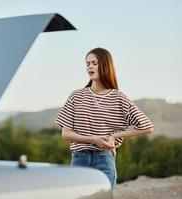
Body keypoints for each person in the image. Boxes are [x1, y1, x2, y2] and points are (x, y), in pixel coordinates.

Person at [54, 47, 154, 191]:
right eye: (87, 63)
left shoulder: (118, 98)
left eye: (95, 63)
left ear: (105, 65)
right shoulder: (76, 96)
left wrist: (115, 136)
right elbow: (66, 134)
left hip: (104, 159)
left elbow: (147, 126)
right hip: (79, 159)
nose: (90, 66)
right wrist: (94, 139)